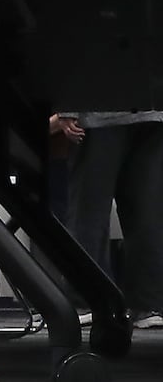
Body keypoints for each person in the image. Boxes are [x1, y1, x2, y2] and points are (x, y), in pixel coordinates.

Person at [59, 111, 163, 328]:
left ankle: (87, 301)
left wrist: (67, 110)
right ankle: (147, 306)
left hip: (101, 112)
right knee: (146, 214)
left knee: (88, 212)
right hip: (152, 114)